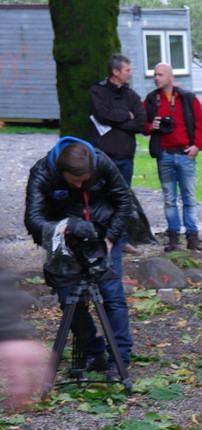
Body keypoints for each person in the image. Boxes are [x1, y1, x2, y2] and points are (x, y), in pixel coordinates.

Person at [24, 137, 134, 372]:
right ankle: (94, 351)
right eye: (73, 181)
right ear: (60, 170)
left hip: (103, 235)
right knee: (69, 300)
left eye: (84, 180)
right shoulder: (42, 173)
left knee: (112, 296)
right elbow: (33, 219)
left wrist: (110, 237)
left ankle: (120, 358)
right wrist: (65, 227)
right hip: (64, 241)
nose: (79, 185)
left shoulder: (101, 162)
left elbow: (124, 200)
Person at [143, 63, 202, 252]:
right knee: (169, 199)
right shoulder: (151, 100)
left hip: (185, 154)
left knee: (189, 198)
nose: (157, 78)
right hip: (164, 155)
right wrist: (151, 126)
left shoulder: (187, 98)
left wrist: (197, 146)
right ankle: (173, 237)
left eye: (160, 75)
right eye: (155, 75)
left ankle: (192, 236)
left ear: (171, 77)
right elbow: (142, 124)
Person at [89, 53, 147, 256]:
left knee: (122, 200)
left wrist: (114, 120)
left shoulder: (131, 96)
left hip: (125, 157)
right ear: (116, 72)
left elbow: (140, 122)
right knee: (101, 198)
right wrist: (125, 116)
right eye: (127, 70)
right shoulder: (98, 91)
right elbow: (101, 114)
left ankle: (121, 240)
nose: (130, 74)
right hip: (104, 157)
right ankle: (101, 239)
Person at [0, 265, 50, 413]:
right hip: (20, 339)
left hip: (9, 342)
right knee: (38, 368)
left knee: (19, 376)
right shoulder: (9, 287)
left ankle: (19, 402)